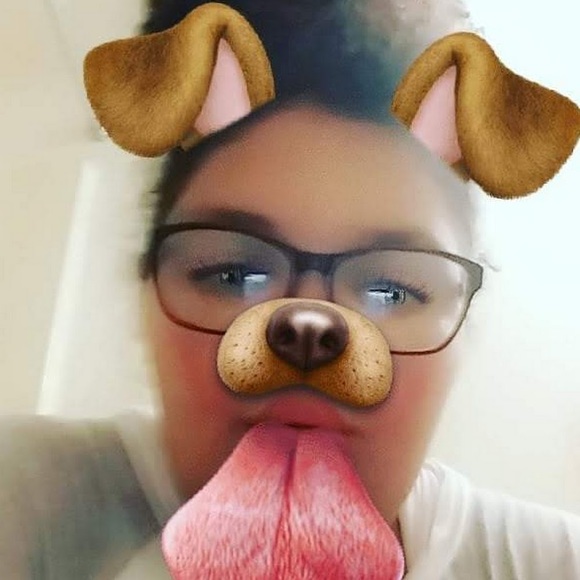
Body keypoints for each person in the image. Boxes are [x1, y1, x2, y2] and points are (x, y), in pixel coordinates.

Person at [1, 1, 579, 578]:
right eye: (234, 275)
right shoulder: (22, 501)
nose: (309, 324)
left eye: (390, 290)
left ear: (463, 325)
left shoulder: (549, 562)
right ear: (147, 291)